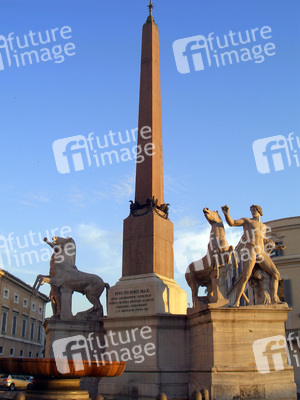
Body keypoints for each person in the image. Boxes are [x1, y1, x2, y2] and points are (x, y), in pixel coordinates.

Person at [221, 204, 282, 307]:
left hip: (261, 253)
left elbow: (263, 239)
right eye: (251, 210)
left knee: (276, 274)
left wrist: (276, 246)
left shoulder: (263, 226)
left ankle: (275, 298)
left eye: (254, 209)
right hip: (251, 251)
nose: (252, 211)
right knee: (245, 277)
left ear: (259, 211)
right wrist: (227, 214)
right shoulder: (247, 221)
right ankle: (236, 302)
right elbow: (232, 223)